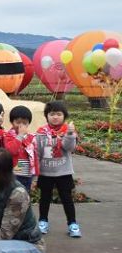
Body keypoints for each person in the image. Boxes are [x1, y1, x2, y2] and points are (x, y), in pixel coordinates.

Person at [35, 101, 81, 237]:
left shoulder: (69, 130)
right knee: (44, 198)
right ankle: (43, 221)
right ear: (47, 116)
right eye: (52, 114)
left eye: (59, 114)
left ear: (64, 116)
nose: (55, 117)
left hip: (64, 172)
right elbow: (37, 152)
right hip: (45, 172)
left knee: (67, 199)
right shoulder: (41, 132)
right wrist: (35, 171)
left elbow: (69, 148)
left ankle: (72, 224)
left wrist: (70, 133)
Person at [2, 106, 38, 192]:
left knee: (25, 196)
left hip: (28, 174)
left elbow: (35, 156)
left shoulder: (31, 137)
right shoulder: (9, 136)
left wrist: (35, 176)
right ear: (12, 122)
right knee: (14, 196)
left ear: (29, 123)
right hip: (15, 174)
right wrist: (20, 136)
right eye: (18, 122)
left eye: (24, 123)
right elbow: (12, 151)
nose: (21, 125)